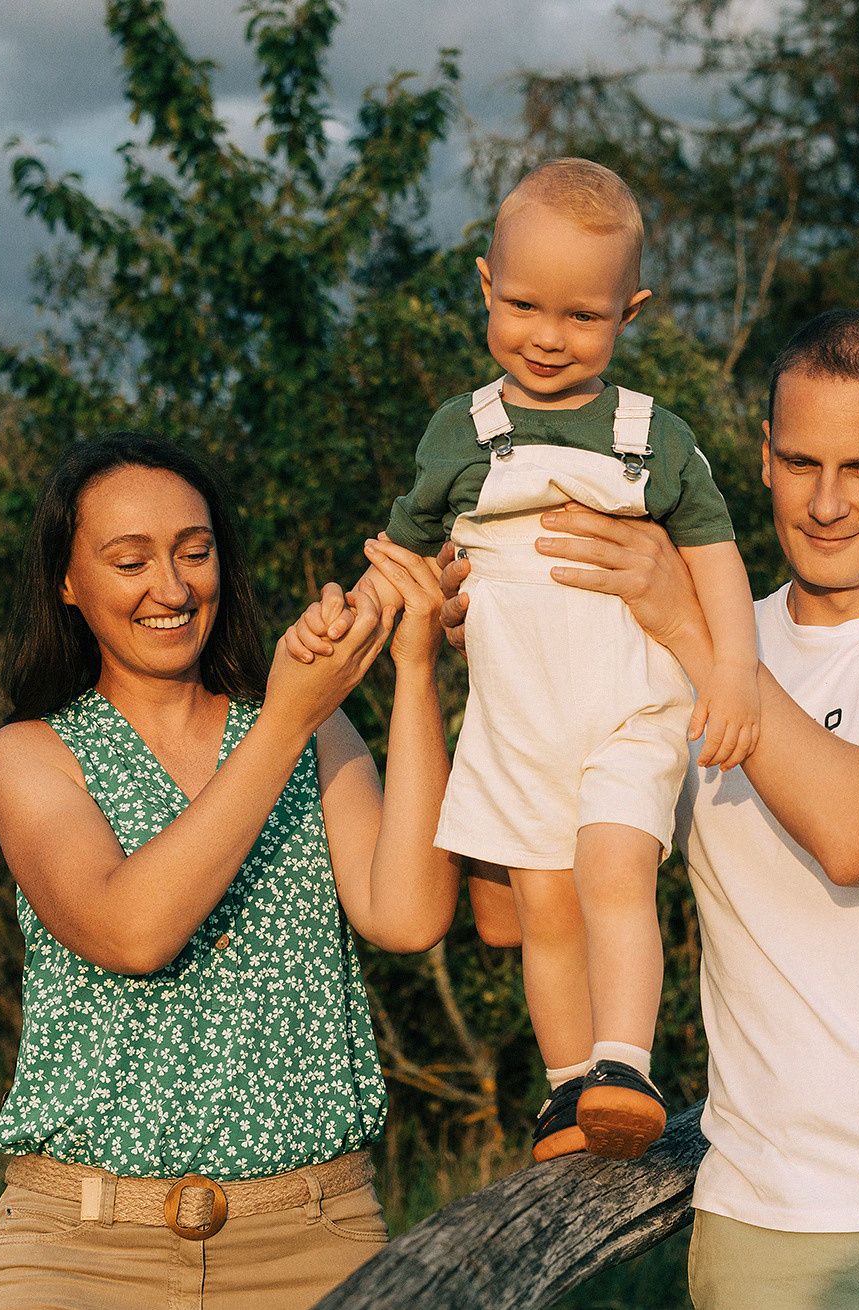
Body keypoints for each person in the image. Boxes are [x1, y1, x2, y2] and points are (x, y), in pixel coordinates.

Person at [446, 311, 859, 1307]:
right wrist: (507, 667)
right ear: (761, 457)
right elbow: (516, 913)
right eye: (800, 462)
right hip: (766, 1233)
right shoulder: (672, 651)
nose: (826, 503)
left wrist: (688, 625)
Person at [294, 158, 760, 1164]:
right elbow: (404, 558)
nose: (547, 336)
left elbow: (716, 553)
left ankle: (624, 1064)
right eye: (522, 306)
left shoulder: (649, 435)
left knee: (613, 871)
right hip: (516, 723)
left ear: (629, 311)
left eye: (582, 316)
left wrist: (732, 671)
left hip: (630, 710)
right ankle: (566, 1093)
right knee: (545, 907)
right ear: (484, 285)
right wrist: (349, 620)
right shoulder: (462, 432)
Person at [0, 434, 459, 1310]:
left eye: (194, 554)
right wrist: (286, 720)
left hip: (315, 1238)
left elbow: (409, 915)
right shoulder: (31, 754)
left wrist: (415, 667)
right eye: (130, 562)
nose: (171, 588)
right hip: (76, 1251)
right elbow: (133, 933)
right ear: (66, 581)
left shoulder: (316, 729)